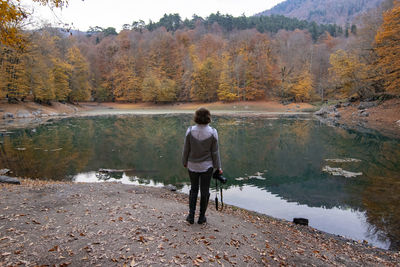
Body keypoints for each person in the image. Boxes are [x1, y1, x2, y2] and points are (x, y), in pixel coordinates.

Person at [182, 108, 222, 224]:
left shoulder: (190, 130)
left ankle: (191, 216)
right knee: (205, 191)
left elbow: (186, 149)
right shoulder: (213, 132)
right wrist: (218, 167)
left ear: (196, 117)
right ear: (208, 117)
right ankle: (201, 217)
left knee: (193, 189)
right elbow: (215, 152)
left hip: (192, 165)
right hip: (207, 166)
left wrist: (184, 162)